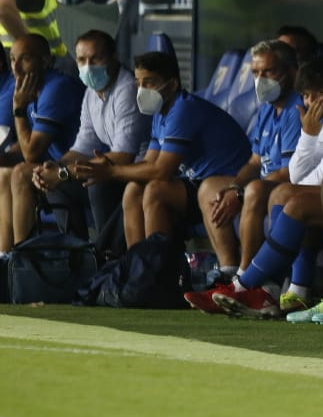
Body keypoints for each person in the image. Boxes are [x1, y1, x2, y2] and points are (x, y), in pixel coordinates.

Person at [212, 57, 323, 319]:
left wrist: (308, 140)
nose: (311, 102)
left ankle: (248, 286)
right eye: (306, 95)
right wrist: (308, 134)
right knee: (286, 193)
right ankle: (292, 291)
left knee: (294, 200)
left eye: (319, 93)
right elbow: (297, 174)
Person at [81, 51, 249, 267]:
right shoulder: (161, 112)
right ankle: (136, 268)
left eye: (149, 83)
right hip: (196, 184)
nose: (141, 90)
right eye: (138, 83)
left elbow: (161, 171)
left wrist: (111, 172)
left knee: (156, 189)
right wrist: (107, 166)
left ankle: (158, 272)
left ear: (171, 85)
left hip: (225, 184)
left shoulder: (184, 108)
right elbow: (150, 162)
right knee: (134, 188)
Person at [185, 40, 302, 310]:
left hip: (284, 187)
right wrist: (234, 186)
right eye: (256, 73)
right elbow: (254, 162)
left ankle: (248, 282)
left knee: (253, 190)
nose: (260, 80)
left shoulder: (296, 109)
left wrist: (241, 191)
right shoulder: (266, 109)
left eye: (269, 72)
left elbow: (290, 171)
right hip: (263, 185)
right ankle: (227, 271)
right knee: (211, 188)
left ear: (291, 72)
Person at [19, 30, 147, 260]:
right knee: (55, 184)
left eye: (95, 59)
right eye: (81, 60)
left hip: (138, 174)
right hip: (114, 171)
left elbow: (122, 157)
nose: (88, 66)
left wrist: (64, 173)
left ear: (114, 58)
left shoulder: (126, 90)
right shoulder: (91, 92)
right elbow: (83, 146)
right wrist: (54, 168)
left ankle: (108, 258)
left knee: (97, 182)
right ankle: (76, 257)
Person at [0, 34, 84, 253]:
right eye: (12, 59)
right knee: (5, 171)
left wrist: (18, 108)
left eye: (25, 59)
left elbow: (31, 153)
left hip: (81, 169)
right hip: (55, 165)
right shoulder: (30, 87)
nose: (16, 66)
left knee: (20, 173)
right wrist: (4, 158)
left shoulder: (56, 88)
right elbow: (29, 141)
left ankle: (21, 259)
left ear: (45, 61)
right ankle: (5, 256)